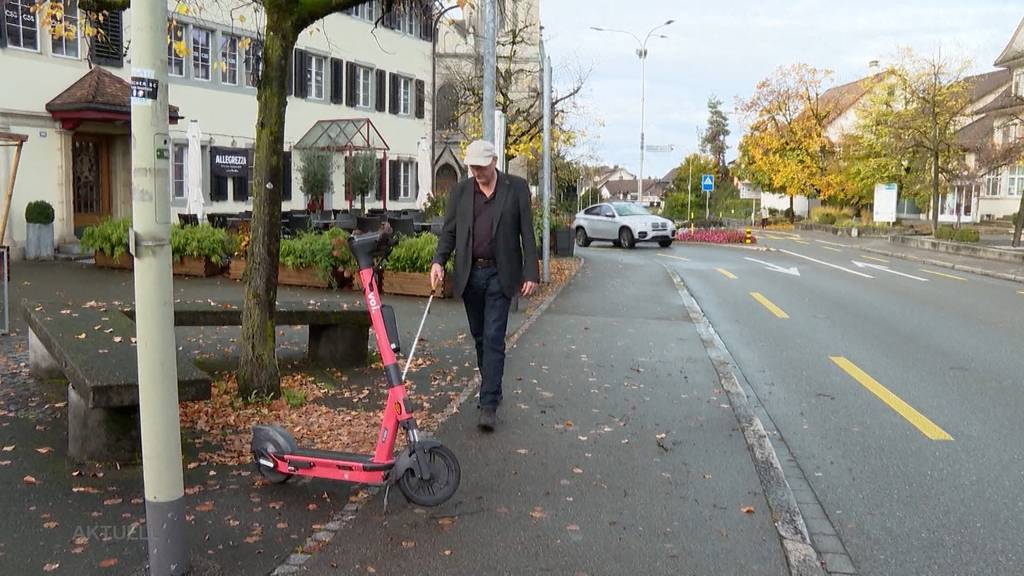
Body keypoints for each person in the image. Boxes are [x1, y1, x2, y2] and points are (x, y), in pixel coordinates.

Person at [431, 140, 539, 432]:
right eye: (472, 166)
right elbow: (449, 231)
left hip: (501, 274)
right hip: (471, 274)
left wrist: (531, 272)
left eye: (480, 166)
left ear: (493, 161)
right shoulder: (461, 191)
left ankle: (488, 403)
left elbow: (527, 233)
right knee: (479, 336)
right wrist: (438, 261)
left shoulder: (515, 188)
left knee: (493, 337)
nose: (476, 171)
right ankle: (493, 385)